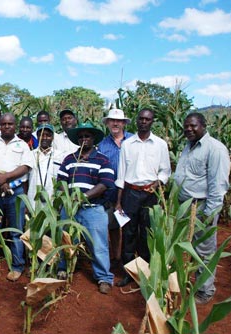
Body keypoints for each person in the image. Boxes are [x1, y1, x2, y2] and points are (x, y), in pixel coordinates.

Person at [174, 113, 230, 304]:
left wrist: (209, 214)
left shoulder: (215, 149)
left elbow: (218, 185)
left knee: (204, 251)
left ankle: (205, 291)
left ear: (204, 126)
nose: (188, 129)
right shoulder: (188, 146)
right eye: (186, 126)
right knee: (188, 247)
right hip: (184, 206)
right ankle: (189, 283)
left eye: (193, 126)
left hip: (201, 207)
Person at [57, 122, 115, 294]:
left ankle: (104, 277)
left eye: (87, 136)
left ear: (93, 139)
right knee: (66, 240)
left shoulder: (102, 159)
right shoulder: (69, 159)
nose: (84, 139)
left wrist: (82, 197)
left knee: (98, 244)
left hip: (93, 209)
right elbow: (61, 181)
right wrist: (68, 197)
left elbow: (105, 183)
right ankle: (64, 269)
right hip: (70, 208)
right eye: (81, 136)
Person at [115, 108, 171, 287]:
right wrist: (118, 201)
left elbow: (165, 170)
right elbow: (121, 174)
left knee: (147, 233)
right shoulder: (127, 144)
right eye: (141, 119)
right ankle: (128, 272)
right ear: (137, 121)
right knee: (129, 232)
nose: (144, 122)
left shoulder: (160, 144)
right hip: (130, 193)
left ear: (152, 122)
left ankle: (145, 272)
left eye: (147, 119)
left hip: (150, 194)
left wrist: (158, 183)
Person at [0, 113, 34, 281]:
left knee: (16, 229)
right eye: (4, 124)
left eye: (10, 124)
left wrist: (6, 178)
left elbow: (26, 167)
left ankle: (17, 265)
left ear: (14, 126)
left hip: (15, 192)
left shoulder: (22, 145)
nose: (7, 126)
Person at [98, 109, 134, 268]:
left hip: (132, 192)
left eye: (119, 121)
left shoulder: (134, 141)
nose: (115, 123)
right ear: (107, 123)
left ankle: (132, 259)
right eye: (112, 120)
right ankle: (117, 257)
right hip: (111, 192)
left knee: (131, 228)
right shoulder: (102, 145)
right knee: (113, 225)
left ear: (124, 123)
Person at [27, 124, 63, 208]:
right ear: (37, 137)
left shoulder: (60, 155)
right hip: (33, 202)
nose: (44, 138)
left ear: (53, 138)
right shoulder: (30, 155)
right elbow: (25, 180)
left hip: (53, 202)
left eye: (48, 135)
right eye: (41, 135)